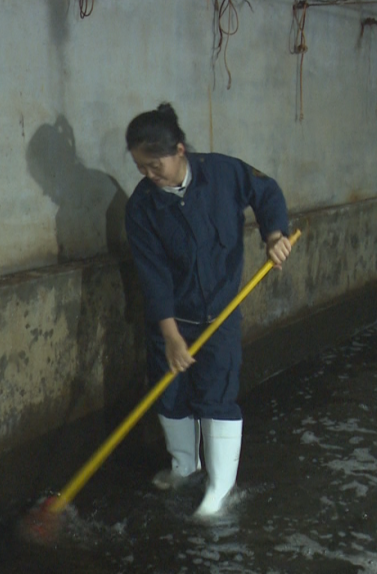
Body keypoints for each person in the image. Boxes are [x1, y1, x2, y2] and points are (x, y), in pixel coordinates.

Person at [123, 103, 293, 518]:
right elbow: (154, 276)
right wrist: (170, 336)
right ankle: (185, 466)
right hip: (171, 320)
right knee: (169, 391)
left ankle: (219, 488)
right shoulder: (141, 207)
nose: (149, 174)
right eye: (141, 167)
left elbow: (266, 192)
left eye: (155, 164)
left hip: (220, 313)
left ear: (179, 150)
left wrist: (274, 235)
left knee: (217, 394)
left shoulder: (223, 172)